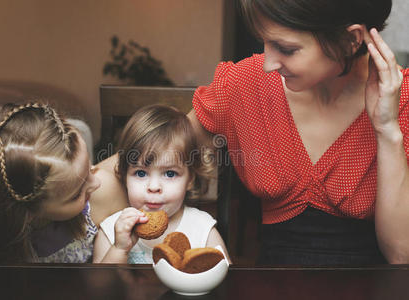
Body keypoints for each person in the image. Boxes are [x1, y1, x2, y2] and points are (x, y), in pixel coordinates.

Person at [188, 0, 408, 264]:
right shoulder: (248, 84)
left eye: (286, 49)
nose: (269, 64)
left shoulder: (402, 100)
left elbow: (401, 255)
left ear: (351, 39)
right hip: (272, 287)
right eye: (264, 42)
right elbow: (142, 157)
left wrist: (387, 130)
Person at [0, 102, 126, 263]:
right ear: (27, 215)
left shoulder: (104, 193)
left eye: (89, 167)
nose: (96, 182)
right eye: (76, 194)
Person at [92, 104, 230, 264]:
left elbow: (227, 281)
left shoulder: (202, 229)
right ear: (125, 177)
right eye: (141, 173)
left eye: (170, 173)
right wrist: (119, 249)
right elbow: (99, 287)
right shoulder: (112, 230)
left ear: (190, 179)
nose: (154, 187)